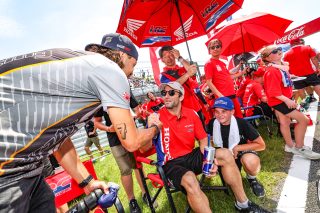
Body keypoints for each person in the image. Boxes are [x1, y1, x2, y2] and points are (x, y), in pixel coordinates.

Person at [0, 33, 162, 212]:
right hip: (8, 168)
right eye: (134, 64)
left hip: (26, 166)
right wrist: (155, 127)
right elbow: (131, 142)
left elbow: (58, 139)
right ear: (123, 56)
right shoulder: (110, 70)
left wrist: (87, 182)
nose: (131, 74)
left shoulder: (82, 66)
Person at [148, 81, 269, 213]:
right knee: (190, 179)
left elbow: (203, 138)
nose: (166, 96)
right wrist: (151, 129)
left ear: (181, 96)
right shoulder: (156, 117)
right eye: (163, 93)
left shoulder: (191, 114)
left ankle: (243, 204)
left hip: (190, 156)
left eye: (171, 93)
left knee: (225, 154)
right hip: (170, 163)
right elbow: (144, 149)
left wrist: (208, 160)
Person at [93, 94, 157, 213]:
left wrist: (132, 118)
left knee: (137, 166)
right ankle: (132, 201)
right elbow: (96, 123)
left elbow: (138, 110)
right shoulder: (101, 96)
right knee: (125, 170)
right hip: (115, 140)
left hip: (132, 135)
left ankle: (145, 194)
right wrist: (109, 128)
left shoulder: (124, 88)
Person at [260, 44, 320, 159]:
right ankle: (300, 147)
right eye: (274, 51)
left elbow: (282, 80)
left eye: (279, 49)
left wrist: (291, 77)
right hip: (279, 101)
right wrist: (288, 100)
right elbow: (273, 91)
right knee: (304, 120)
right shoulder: (272, 71)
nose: (278, 51)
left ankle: (289, 145)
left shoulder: (280, 67)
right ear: (267, 58)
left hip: (280, 99)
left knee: (285, 122)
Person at [209, 97, 266, 197]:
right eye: (216, 112)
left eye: (224, 111)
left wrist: (238, 148)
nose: (220, 115)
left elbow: (261, 145)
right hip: (224, 156)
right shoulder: (212, 123)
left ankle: (251, 178)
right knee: (230, 186)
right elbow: (209, 141)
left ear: (232, 112)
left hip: (241, 153)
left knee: (250, 161)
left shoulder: (241, 123)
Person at [158, 45, 208, 127]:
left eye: (171, 55)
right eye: (166, 56)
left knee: (202, 131)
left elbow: (193, 72)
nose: (169, 58)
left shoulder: (183, 68)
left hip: (195, 105)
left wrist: (180, 58)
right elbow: (172, 86)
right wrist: (187, 74)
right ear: (162, 59)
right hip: (180, 109)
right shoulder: (163, 75)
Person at [204, 39, 245, 118]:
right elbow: (209, 82)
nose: (215, 49)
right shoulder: (209, 63)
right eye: (212, 47)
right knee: (227, 122)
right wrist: (220, 96)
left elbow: (229, 77)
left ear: (221, 48)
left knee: (239, 119)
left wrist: (242, 72)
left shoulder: (222, 63)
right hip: (223, 98)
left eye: (217, 46)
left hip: (232, 96)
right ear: (209, 51)